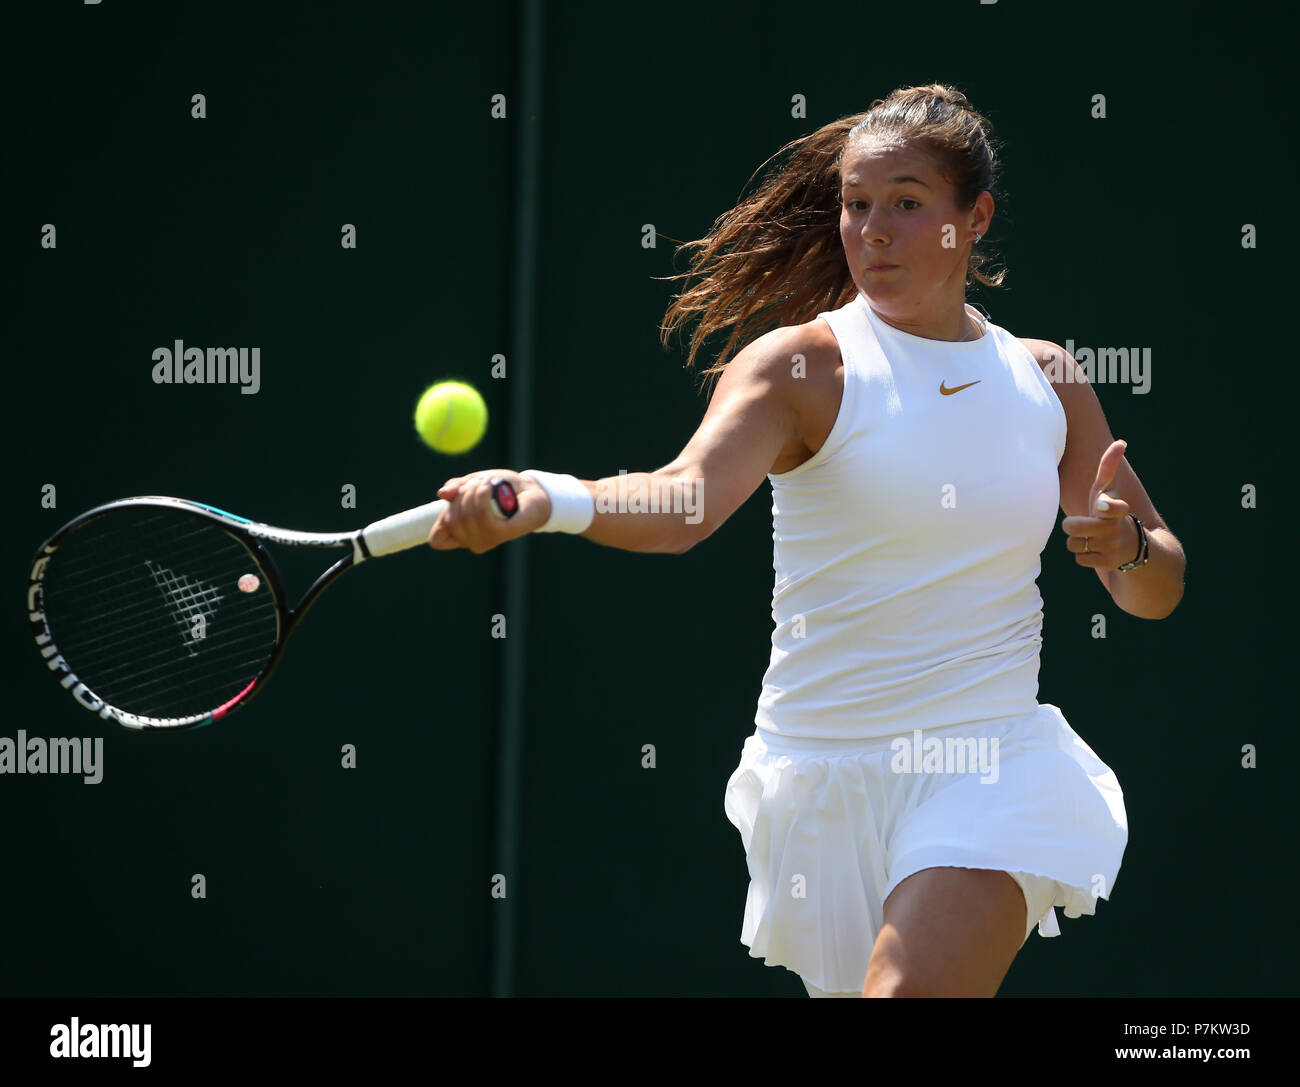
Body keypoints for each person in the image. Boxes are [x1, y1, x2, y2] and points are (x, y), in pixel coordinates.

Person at [427, 83, 1186, 997]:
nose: (872, 230)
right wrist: (549, 496)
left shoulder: (1047, 379)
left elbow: (1160, 583)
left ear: (972, 217)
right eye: (857, 204)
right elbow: (683, 503)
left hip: (988, 758)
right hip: (823, 775)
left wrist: (1128, 550)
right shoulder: (802, 367)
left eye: (907, 204)